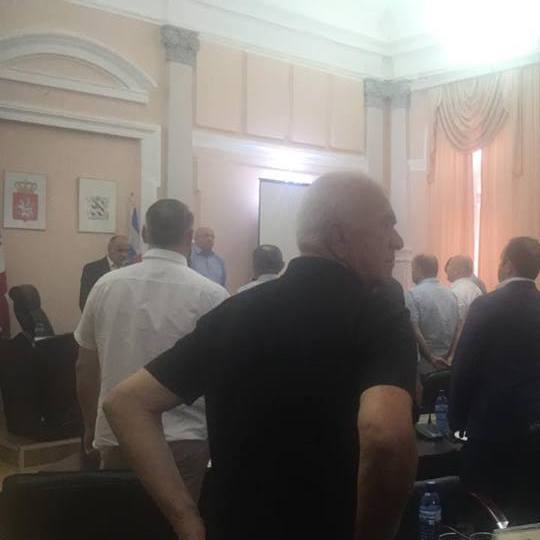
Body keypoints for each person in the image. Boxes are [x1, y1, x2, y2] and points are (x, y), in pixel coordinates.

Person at [102, 172, 418, 540]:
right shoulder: (379, 313)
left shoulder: (231, 313)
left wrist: (185, 519)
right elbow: (385, 435)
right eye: (386, 225)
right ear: (339, 238)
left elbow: (126, 402)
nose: (397, 241)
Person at [74, 200, 228, 500]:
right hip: (185, 440)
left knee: (123, 520)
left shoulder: (105, 286)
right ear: (189, 237)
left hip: (118, 434)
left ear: (144, 233)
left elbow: (84, 368)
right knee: (179, 521)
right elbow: (222, 379)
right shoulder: (212, 295)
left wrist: (91, 426)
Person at [449, 237, 540, 506]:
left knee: (483, 504)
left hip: (488, 426)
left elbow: (464, 368)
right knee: (524, 504)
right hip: (537, 425)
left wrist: (456, 422)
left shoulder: (485, 306)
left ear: (509, 265)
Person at [408, 254, 459, 371]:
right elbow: (457, 329)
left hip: (425, 364)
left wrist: (431, 358)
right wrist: (450, 356)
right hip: (447, 363)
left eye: (413, 268)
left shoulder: (412, 294)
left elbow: (415, 330)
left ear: (419, 269)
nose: (412, 273)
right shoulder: (451, 294)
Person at [79, 235, 129, 311]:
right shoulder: (91, 269)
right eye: (120, 250)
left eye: (126, 251)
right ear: (109, 249)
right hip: (99, 316)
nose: (124, 255)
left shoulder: (131, 270)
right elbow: (84, 301)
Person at [445, 255, 483, 321]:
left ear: (456, 271)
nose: (446, 269)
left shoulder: (455, 292)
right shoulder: (477, 290)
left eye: (449, 265)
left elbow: (456, 320)